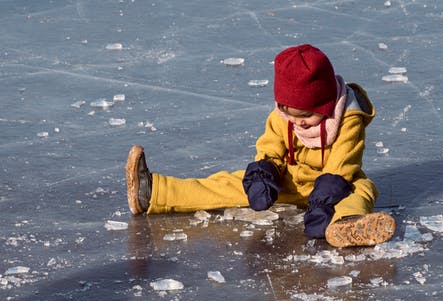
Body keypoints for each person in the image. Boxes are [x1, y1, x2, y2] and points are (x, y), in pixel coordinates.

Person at [126, 44, 396, 248]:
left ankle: (344, 224)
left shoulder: (348, 118)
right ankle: (155, 193)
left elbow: (343, 165)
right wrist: (263, 176)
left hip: (336, 185)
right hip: (290, 179)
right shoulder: (283, 116)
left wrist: (324, 203)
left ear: (326, 106)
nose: (298, 124)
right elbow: (271, 148)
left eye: (306, 117)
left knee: (363, 189)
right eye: (290, 115)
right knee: (228, 183)